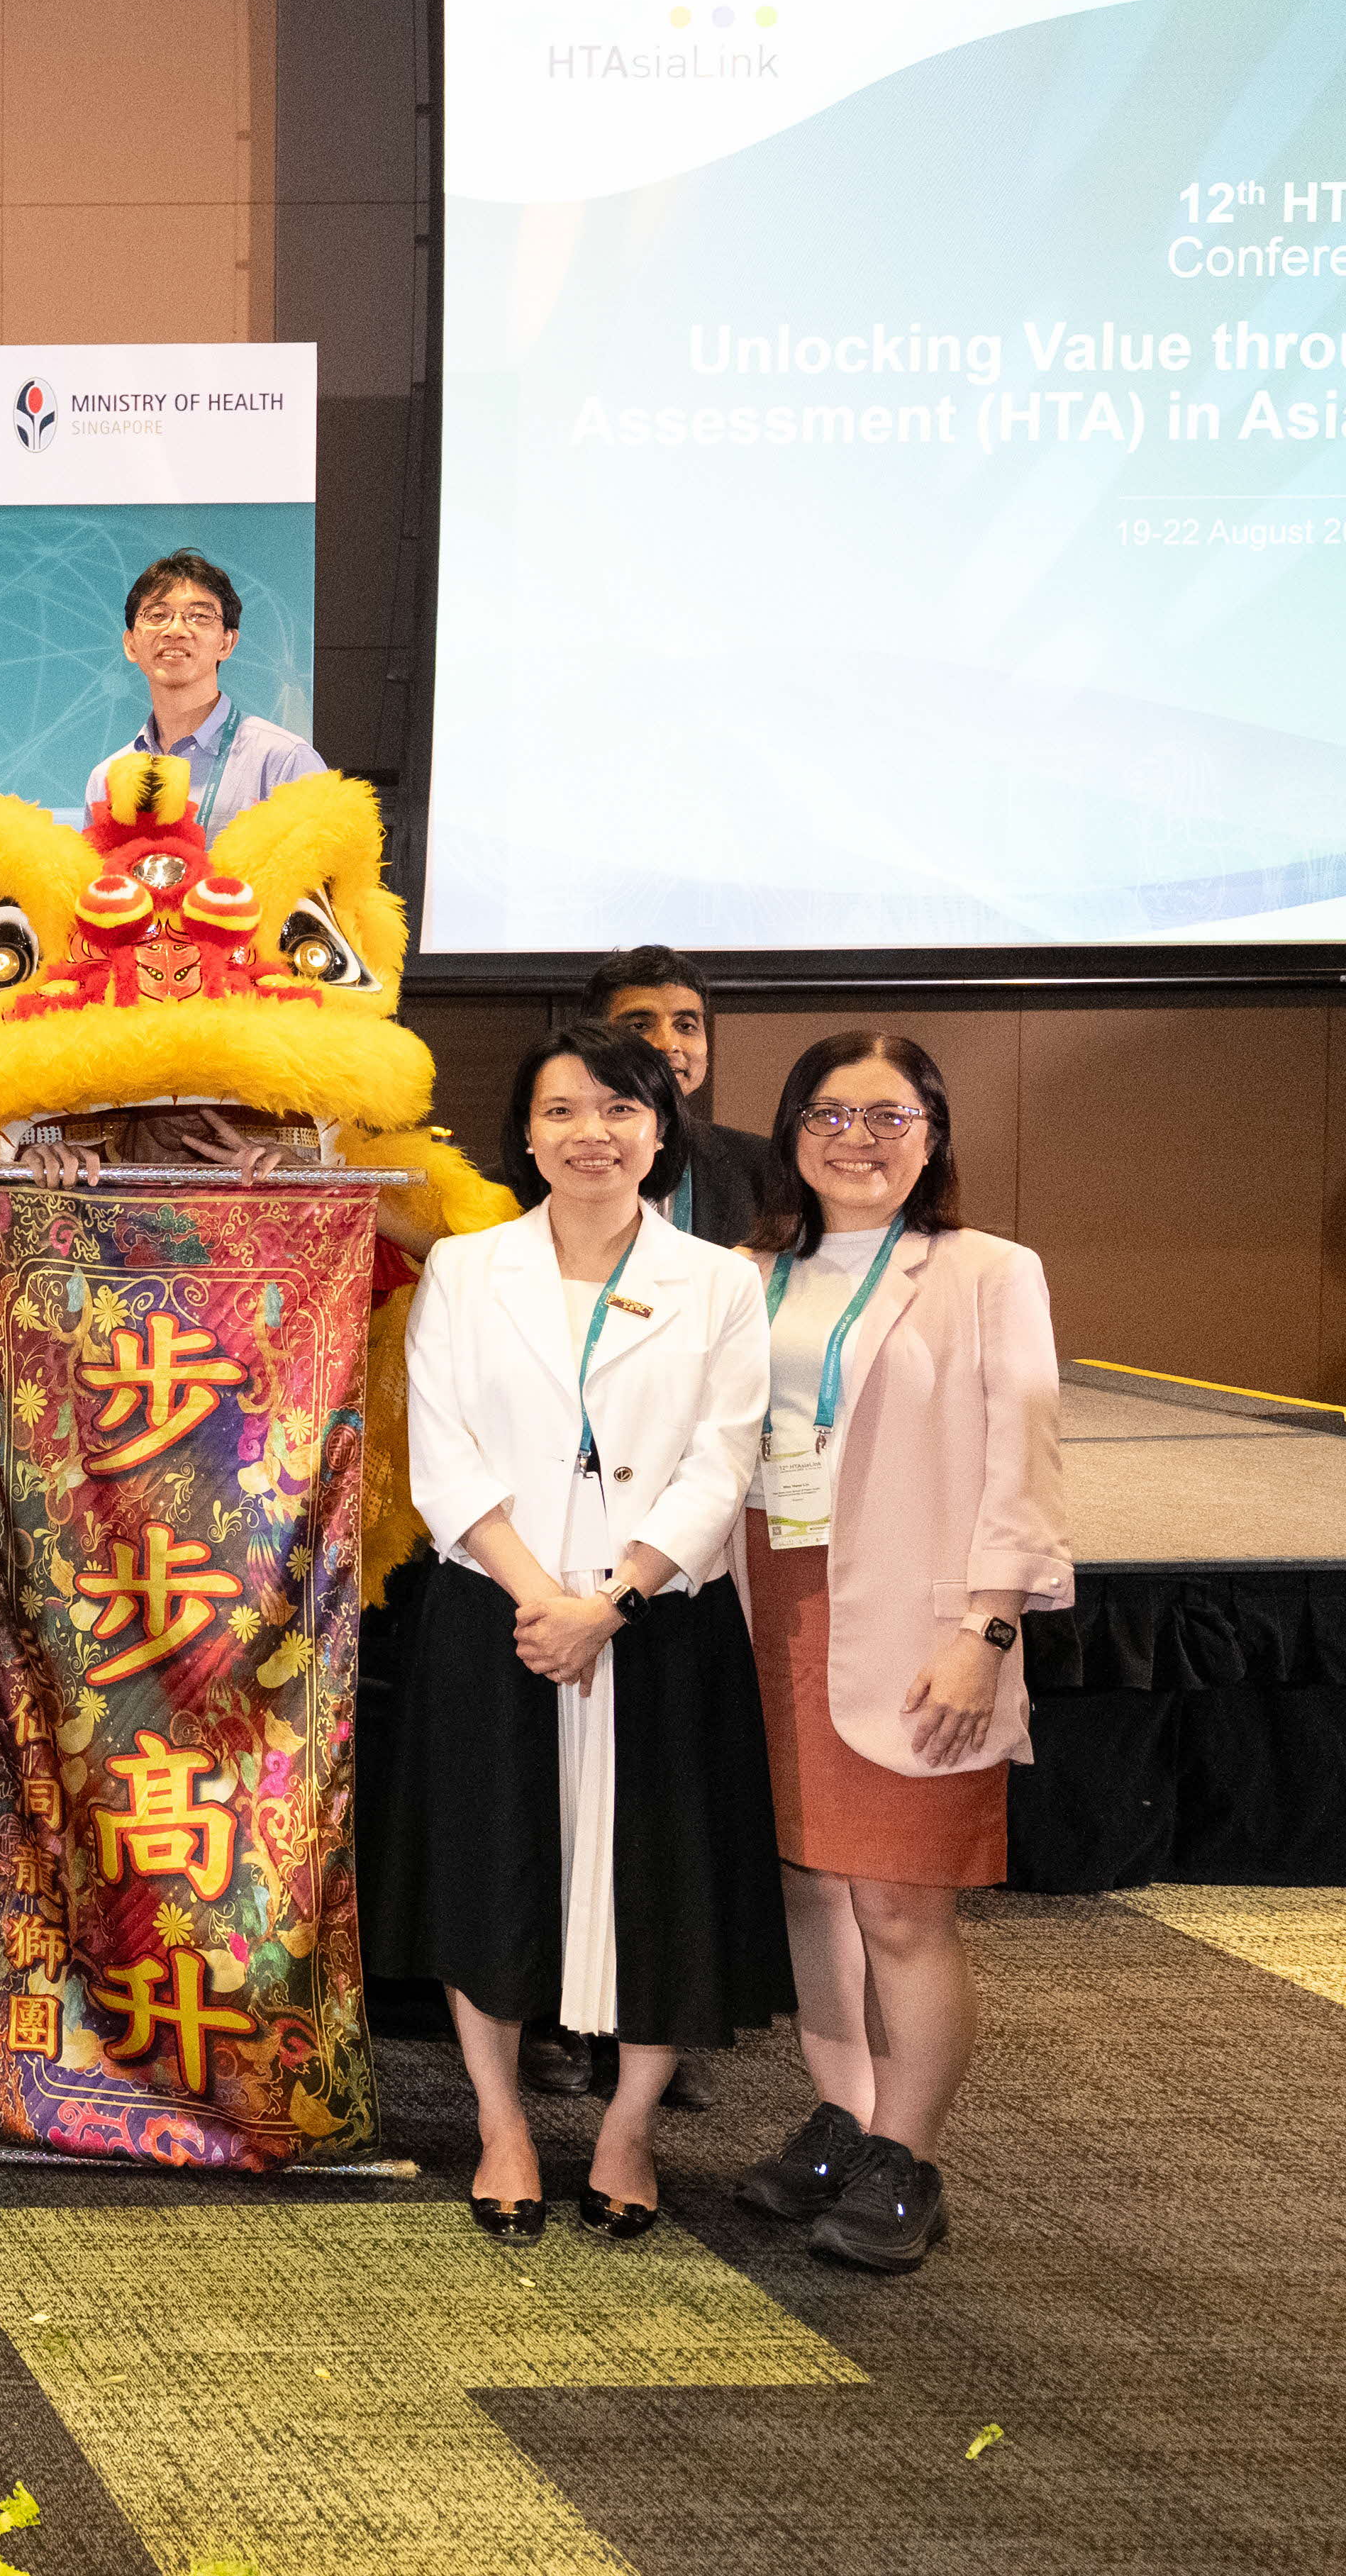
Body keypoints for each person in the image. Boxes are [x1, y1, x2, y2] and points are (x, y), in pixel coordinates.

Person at [367, 1021, 789, 2241]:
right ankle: (500, 2122)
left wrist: (609, 1605)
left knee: (662, 1875)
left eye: (619, 1109)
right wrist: (540, 1601)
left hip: (655, 1619)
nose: (589, 1133)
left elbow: (722, 1463)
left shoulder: (719, 1283)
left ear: (662, 1132)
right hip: (495, 1612)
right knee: (487, 1867)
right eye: (561, 1110)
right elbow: (443, 1455)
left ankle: (628, 2128)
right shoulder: (467, 1270)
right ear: (526, 1132)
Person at [732, 1032, 1069, 2277]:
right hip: (768, 1605)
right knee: (810, 1888)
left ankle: (908, 2157)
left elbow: (1025, 1465)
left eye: (887, 1116)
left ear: (933, 1136)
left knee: (900, 1905)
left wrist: (988, 1630)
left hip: (921, 1627)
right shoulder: (748, 1273)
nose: (856, 1140)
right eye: (828, 1115)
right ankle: (845, 2119)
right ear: (790, 1133)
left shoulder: (989, 1272)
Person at [87, 548, 325, 824]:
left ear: (226, 643)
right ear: (130, 645)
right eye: (157, 615)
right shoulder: (105, 778)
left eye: (199, 616)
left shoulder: (283, 760)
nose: (175, 630)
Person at [586, 944, 782, 1248]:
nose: (668, 1044)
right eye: (640, 1026)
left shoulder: (764, 1169)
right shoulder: (534, 1170)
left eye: (686, 1026)